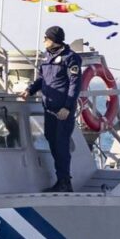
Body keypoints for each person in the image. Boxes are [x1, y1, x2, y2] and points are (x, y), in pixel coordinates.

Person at [25, 25, 82, 192]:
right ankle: (62, 179)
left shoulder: (70, 58)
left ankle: (65, 182)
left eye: (46, 38)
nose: (44, 41)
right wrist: (30, 90)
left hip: (62, 111)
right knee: (52, 142)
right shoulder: (47, 57)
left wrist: (67, 107)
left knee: (61, 145)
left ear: (54, 40)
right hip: (49, 109)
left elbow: (74, 84)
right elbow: (42, 79)